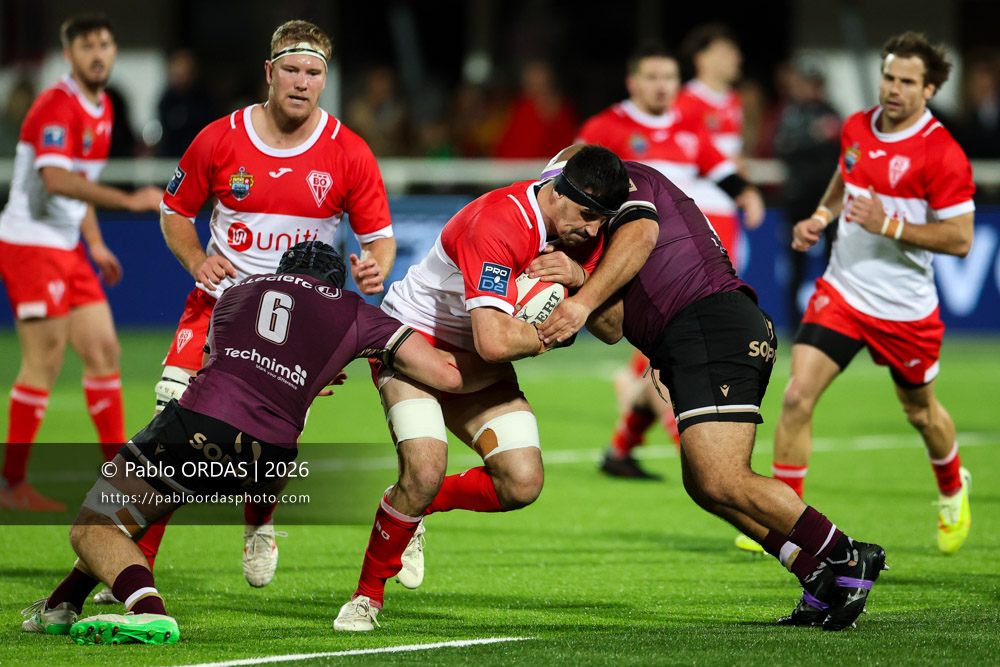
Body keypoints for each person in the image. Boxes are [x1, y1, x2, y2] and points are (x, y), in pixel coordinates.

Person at [20, 241, 508, 645]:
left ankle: (147, 608)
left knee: (94, 524)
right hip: (270, 458)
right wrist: (512, 347)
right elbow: (445, 373)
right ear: (334, 282)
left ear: (283, 270)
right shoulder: (356, 311)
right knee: (141, 506)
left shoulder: (238, 291)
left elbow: (222, 360)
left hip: (203, 423)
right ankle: (63, 603)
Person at [91, 19, 397, 604]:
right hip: (216, 308)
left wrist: (374, 266)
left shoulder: (348, 151)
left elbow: (379, 238)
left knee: (267, 435)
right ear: (269, 70)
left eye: (314, 73)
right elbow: (174, 211)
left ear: (324, 79)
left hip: (294, 325)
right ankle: (135, 563)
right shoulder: (219, 139)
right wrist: (194, 261)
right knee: (170, 425)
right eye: (292, 69)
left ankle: (259, 522)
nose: (302, 83)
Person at [538, 145, 887, 631]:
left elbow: (641, 232)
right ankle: (817, 575)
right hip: (692, 335)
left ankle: (847, 555)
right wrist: (578, 280)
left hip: (709, 322)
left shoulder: (627, 179)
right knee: (705, 485)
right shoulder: (592, 235)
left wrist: (579, 298)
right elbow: (615, 326)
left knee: (723, 477)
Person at [333, 145, 630, 631]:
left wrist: (580, 277)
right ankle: (367, 596)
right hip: (415, 339)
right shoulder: (497, 224)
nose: (593, 230)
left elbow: (614, 327)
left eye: (603, 221)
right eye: (588, 216)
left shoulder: (582, 232)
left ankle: (410, 507)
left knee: (522, 482)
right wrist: (555, 330)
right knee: (427, 466)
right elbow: (494, 343)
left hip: (479, 354)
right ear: (558, 193)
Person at [775, 32, 974, 556]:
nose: (894, 89)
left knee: (920, 413)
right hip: (843, 290)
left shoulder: (942, 153)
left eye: (908, 82)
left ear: (928, 90)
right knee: (796, 396)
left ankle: (953, 487)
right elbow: (847, 174)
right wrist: (821, 217)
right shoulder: (857, 126)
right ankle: (783, 516)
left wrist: (889, 225)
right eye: (889, 77)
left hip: (903, 309)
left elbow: (960, 238)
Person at [575, 43, 764, 479]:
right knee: (674, 347)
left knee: (663, 350)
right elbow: (570, 181)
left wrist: (746, 193)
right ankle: (695, 448)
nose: (662, 87)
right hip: (634, 258)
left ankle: (622, 449)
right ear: (633, 82)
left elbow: (717, 166)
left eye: (669, 79)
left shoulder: (688, 125)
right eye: (652, 78)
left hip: (679, 260)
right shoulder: (608, 126)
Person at [0, 14, 162, 511]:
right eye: (87, 46)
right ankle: (11, 484)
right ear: (68, 55)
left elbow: (77, 184)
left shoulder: (104, 106)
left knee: (103, 350)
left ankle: (116, 478)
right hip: (30, 243)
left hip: (67, 246)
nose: (98, 53)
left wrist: (93, 243)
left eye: (106, 44)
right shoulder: (56, 105)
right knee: (43, 362)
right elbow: (54, 179)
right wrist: (130, 200)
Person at [772, 63, 842, 324]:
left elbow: (844, 151)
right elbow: (782, 147)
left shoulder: (832, 113)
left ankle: (830, 319)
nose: (811, 90)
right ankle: (793, 323)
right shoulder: (793, 113)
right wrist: (815, 138)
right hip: (799, 199)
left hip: (827, 201)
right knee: (796, 262)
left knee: (832, 263)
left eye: (816, 84)